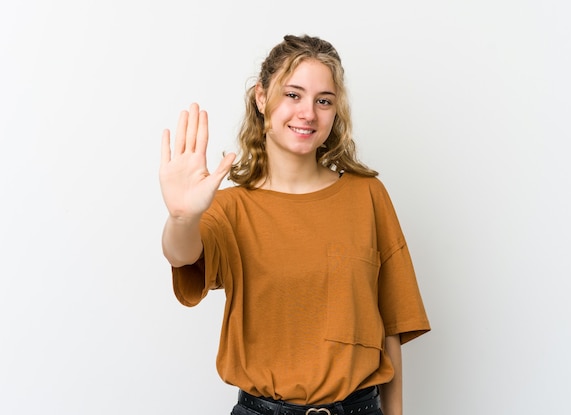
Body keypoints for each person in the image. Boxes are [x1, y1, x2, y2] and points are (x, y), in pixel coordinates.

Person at [159, 34, 430, 415]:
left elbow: (391, 329)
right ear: (260, 97)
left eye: (324, 101)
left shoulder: (368, 197)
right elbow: (181, 253)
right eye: (293, 95)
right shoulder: (231, 208)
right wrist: (182, 217)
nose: (308, 113)